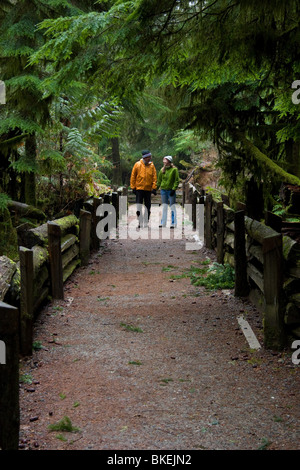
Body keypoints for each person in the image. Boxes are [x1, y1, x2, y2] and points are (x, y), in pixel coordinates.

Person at [130, 149, 157, 227]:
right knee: (139, 206)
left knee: (148, 206)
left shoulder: (152, 166)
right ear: (145, 157)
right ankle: (140, 221)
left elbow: (154, 177)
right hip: (139, 189)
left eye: (150, 157)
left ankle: (146, 222)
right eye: (149, 157)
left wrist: (154, 188)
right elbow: (133, 176)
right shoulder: (137, 165)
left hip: (148, 189)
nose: (150, 158)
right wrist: (133, 187)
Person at [156, 156, 179, 228]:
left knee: (172, 206)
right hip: (163, 191)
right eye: (163, 160)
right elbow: (159, 181)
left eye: (165, 160)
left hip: (171, 190)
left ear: (169, 161)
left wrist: (173, 189)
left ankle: (173, 222)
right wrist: (155, 189)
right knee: (164, 207)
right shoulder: (162, 170)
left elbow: (176, 180)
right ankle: (163, 222)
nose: (163, 161)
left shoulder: (174, 170)